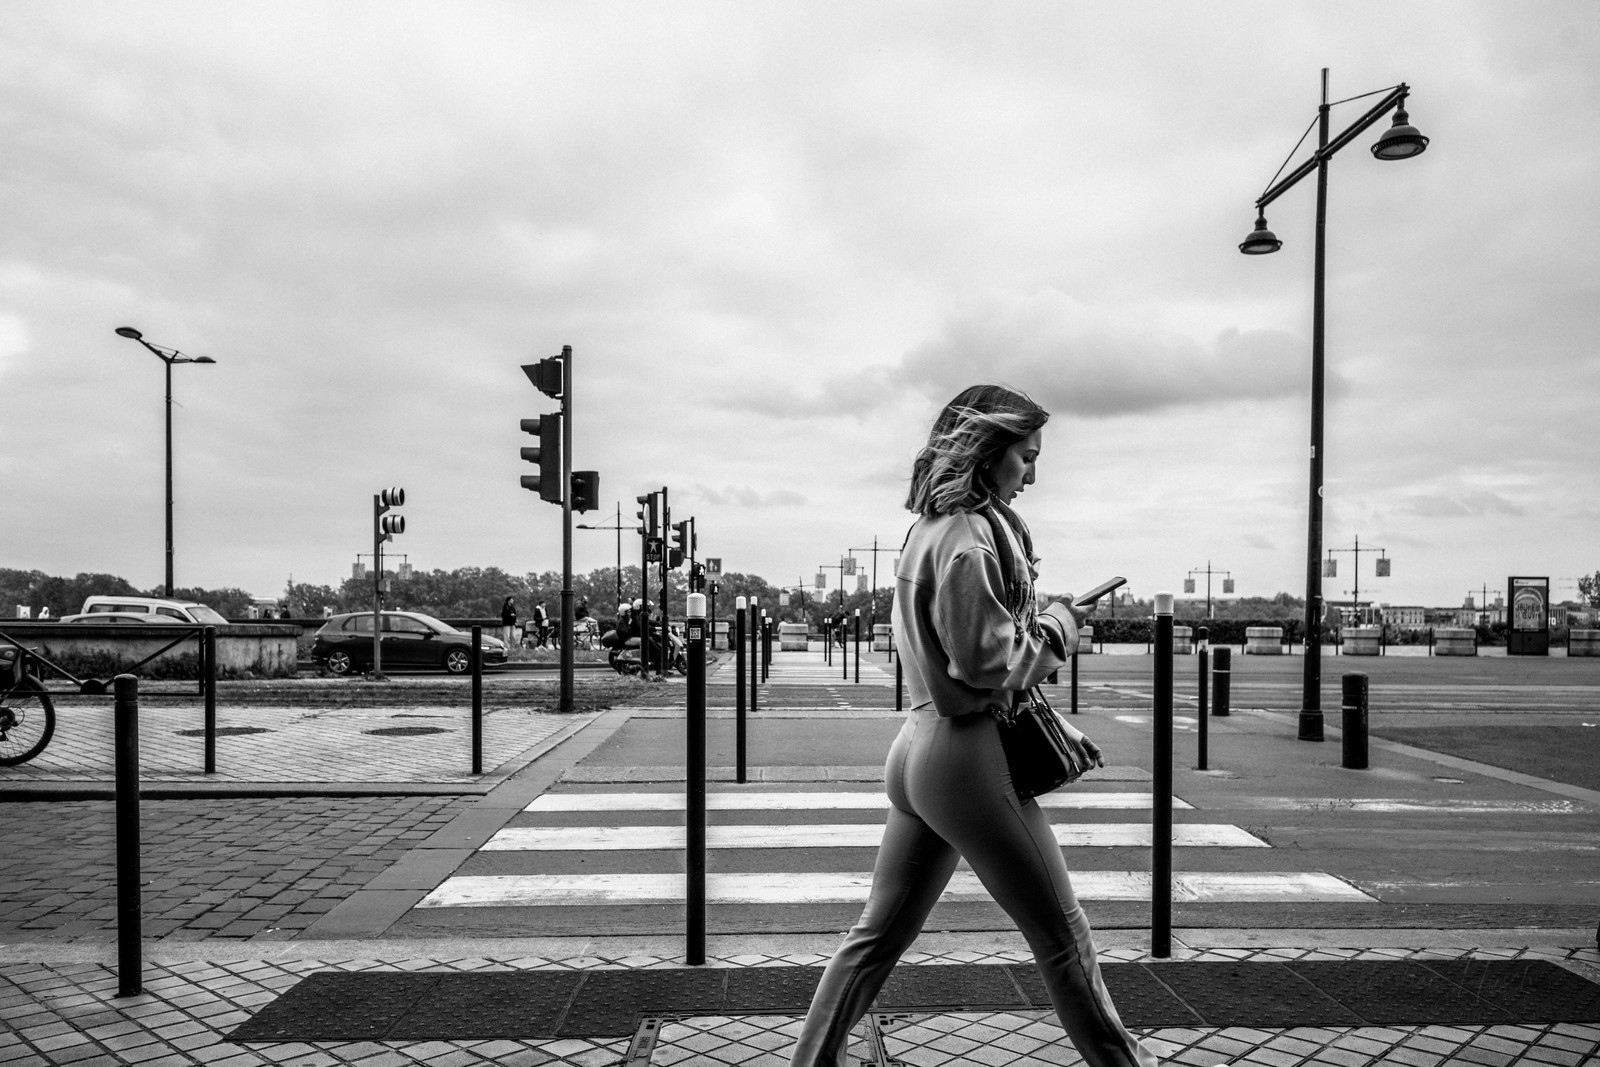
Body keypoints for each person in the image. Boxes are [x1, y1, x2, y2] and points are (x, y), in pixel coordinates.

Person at [790, 385, 1157, 1067]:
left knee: (876, 936)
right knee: (1063, 937)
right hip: (964, 755)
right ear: (988, 453)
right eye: (1026, 456)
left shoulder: (926, 528)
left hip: (918, 747)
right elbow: (989, 660)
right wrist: (1058, 626)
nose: (1033, 474)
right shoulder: (969, 537)